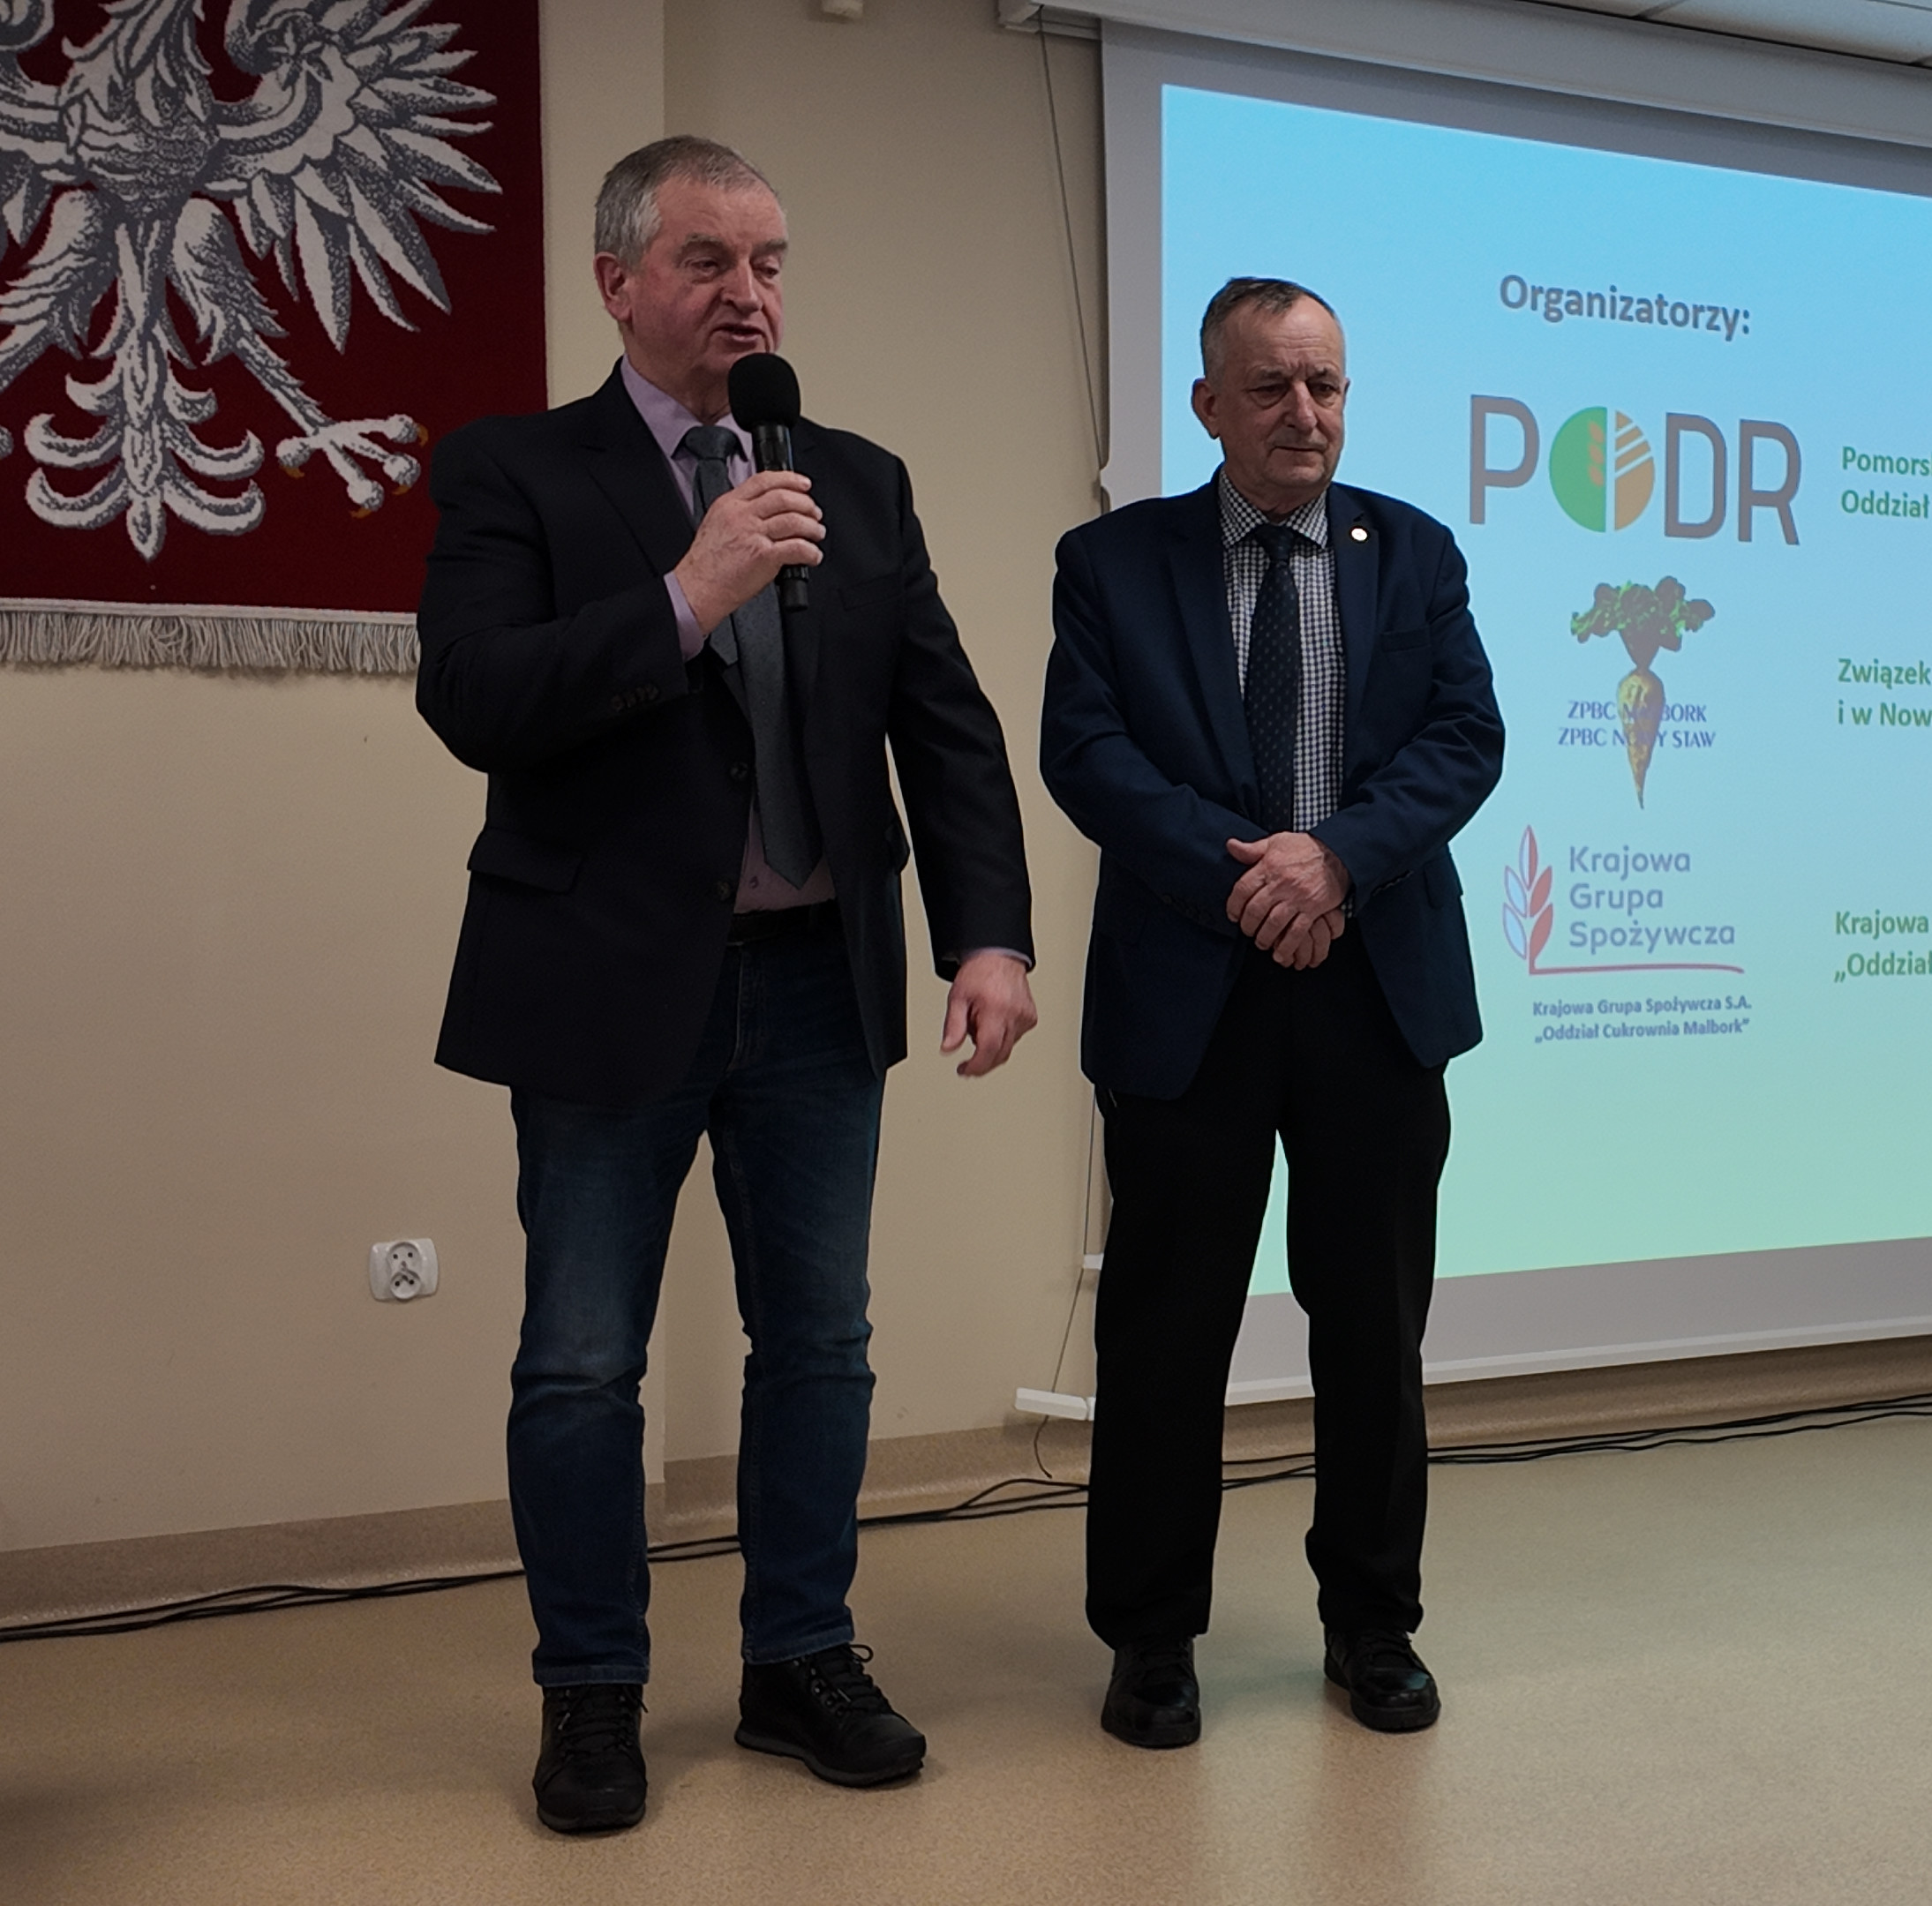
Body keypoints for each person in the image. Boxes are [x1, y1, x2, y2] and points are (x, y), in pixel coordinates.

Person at [413, 136, 1038, 1835]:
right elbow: (476, 697)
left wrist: (987, 935)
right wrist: (690, 592)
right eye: (709, 261)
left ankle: (798, 1659)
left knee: (820, 1343)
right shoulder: (514, 470)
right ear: (618, 283)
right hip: (607, 980)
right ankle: (591, 1690)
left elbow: (945, 727)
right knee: (581, 1362)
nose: (749, 295)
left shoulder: (856, 478)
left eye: (770, 262)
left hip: (819, 981)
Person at [1037, 277, 1505, 1750]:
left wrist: (1338, 860)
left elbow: (1464, 738)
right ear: (1208, 405)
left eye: (1327, 386)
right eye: (1271, 389)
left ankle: (1374, 1625)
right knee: (1165, 1334)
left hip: (1375, 994)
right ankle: (1151, 1639)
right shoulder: (1113, 563)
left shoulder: (1413, 552)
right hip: (1192, 996)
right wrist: (1250, 878)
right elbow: (1087, 754)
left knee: (1373, 1331)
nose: (1305, 414)